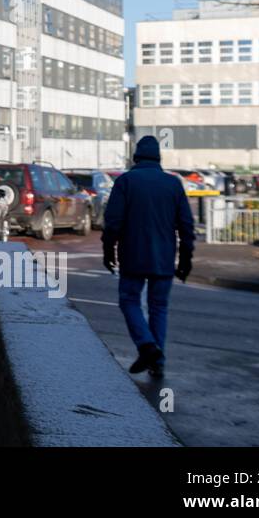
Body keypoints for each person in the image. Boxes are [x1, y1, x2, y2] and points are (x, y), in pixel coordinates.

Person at [101, 135, 195, 377]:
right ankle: (157, 360)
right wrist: (186, 259)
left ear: (136, 157)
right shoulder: (173, 184)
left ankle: (146, 345)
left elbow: (113, 223)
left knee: (129, 300)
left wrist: (108, 251)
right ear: (158, 158)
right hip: (164, 258)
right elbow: (186, 226)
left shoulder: (125, 182)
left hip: (133, 255)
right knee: (159, 307)